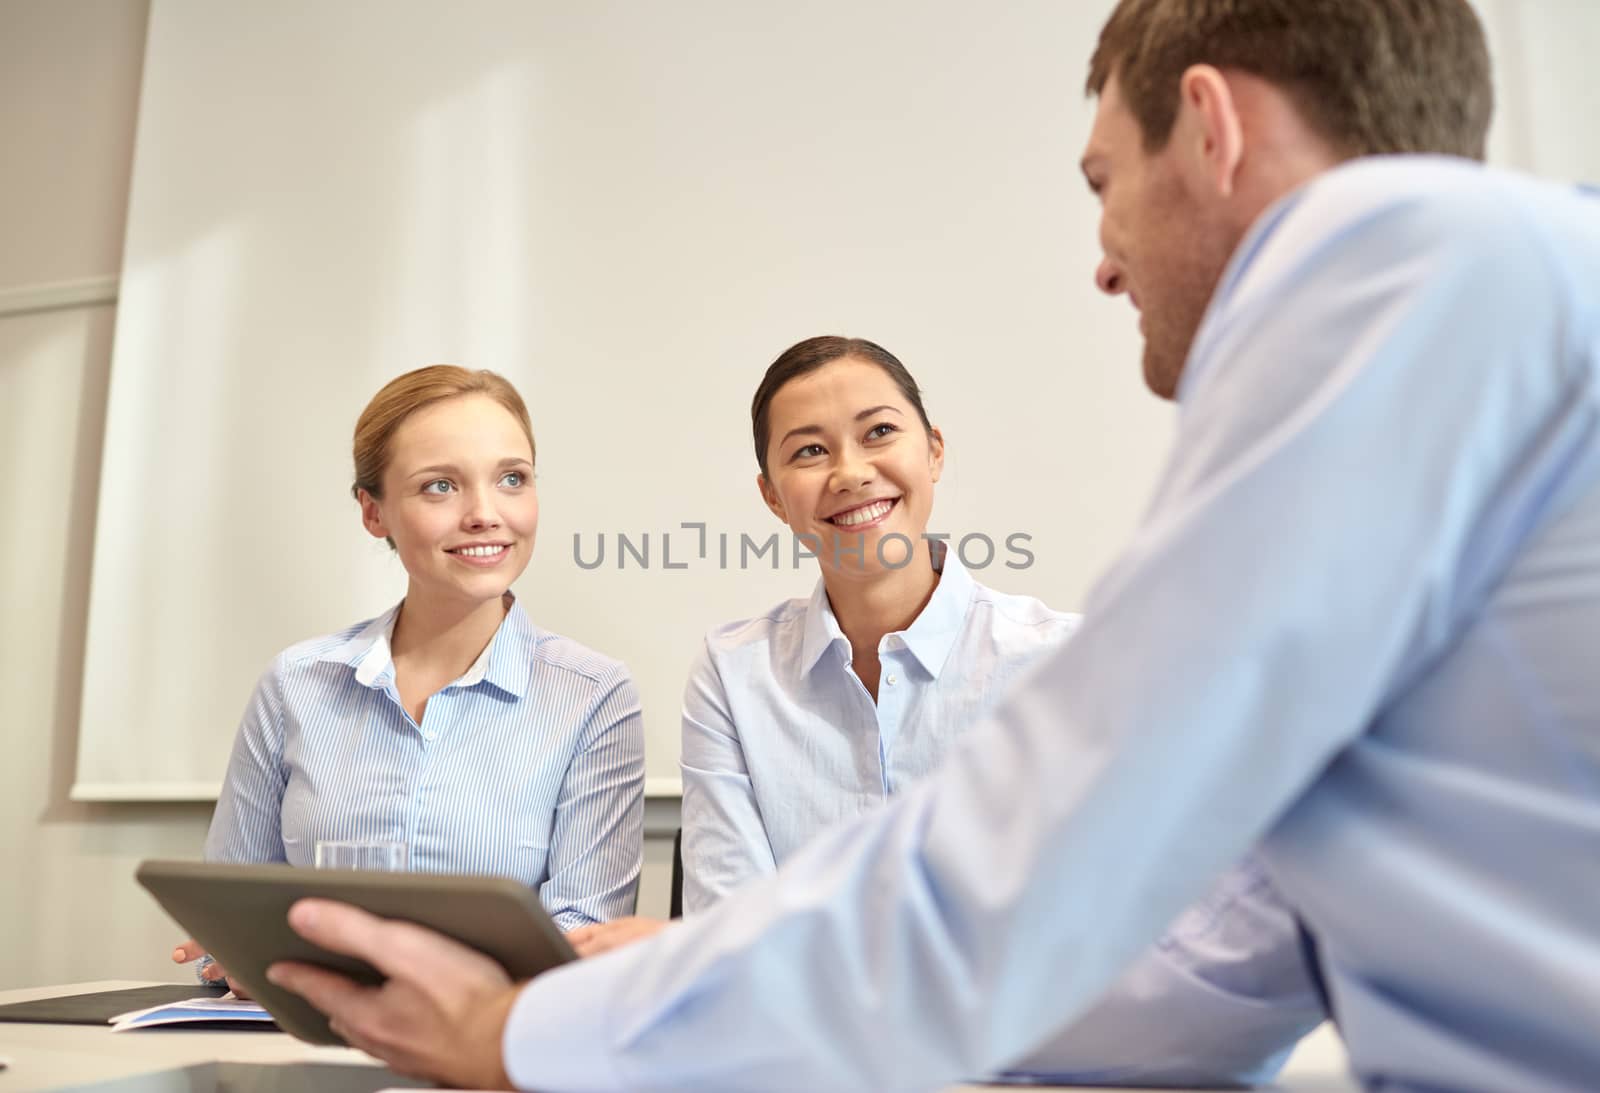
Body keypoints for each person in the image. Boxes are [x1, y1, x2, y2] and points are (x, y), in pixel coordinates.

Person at [269, 2, 1600, 1090]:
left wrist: (514, 1037)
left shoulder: (1396, 269)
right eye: (805, 450)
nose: (1104, 259)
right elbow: (1206, 969)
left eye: (1103, 186)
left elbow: (1003, 895)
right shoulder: (1497, 309)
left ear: (1210, 125)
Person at [570, 334, 1321, 1083]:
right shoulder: (735, 675)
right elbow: (725, 933)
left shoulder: (1062, 661)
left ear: (932, 451)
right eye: (807, 452)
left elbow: (1071, 949)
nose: (851, 472)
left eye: (879, 433)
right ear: (771, 495)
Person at [173, 366, 645, 991]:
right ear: (374, 512)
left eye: (512, 479)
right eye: (440, 486)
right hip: (300, 1042)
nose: (485, 514)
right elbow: (233, 909)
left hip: (486, 1060)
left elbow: (586, 939)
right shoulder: (297, 683)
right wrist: (232, 954)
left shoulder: (593, 696)